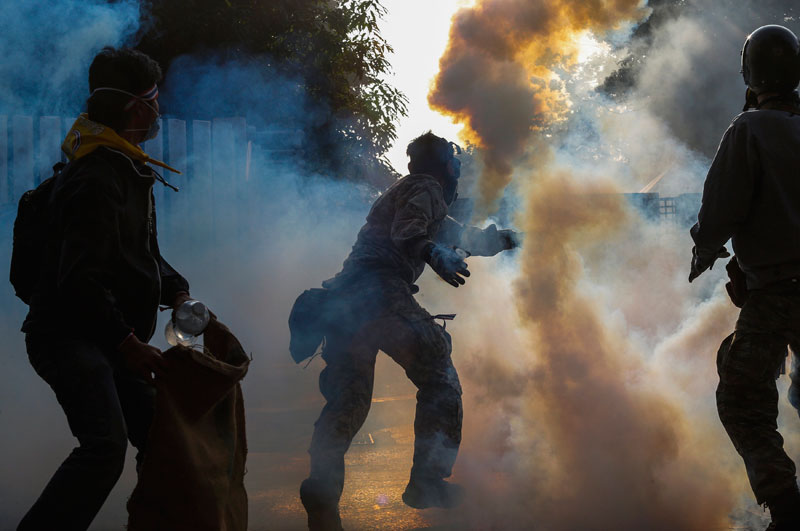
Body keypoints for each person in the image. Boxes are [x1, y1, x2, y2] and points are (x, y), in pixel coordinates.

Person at [297, 132, 519, 530]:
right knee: (438, 373)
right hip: (379, 292)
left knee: (349, 402)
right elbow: (410, 231)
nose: (457, 169)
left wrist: (505, 239)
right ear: (442, 166)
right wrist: (434, 254)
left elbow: (459, 236)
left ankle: (322, 489)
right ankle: (428, 482)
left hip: (345, 301)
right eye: (454, 162)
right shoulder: (426, 186)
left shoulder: (412, 189)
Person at [16, 47, 191, 531]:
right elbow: (78, 281)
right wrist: (127, 342)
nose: (160, 109)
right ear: (139, 107)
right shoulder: (95, 177)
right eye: (156, 100)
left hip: (109, 337)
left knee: (162, 439)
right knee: (105, 447)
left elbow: (142, 258)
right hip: (67, 336)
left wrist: (178, 293)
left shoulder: (126, 169)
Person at [689, 24, 800, 531]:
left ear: (750, 75)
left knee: (740, 395)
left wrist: (708, 248)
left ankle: (785, 503)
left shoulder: (749, 129)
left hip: (779, 294)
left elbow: (719, 213)